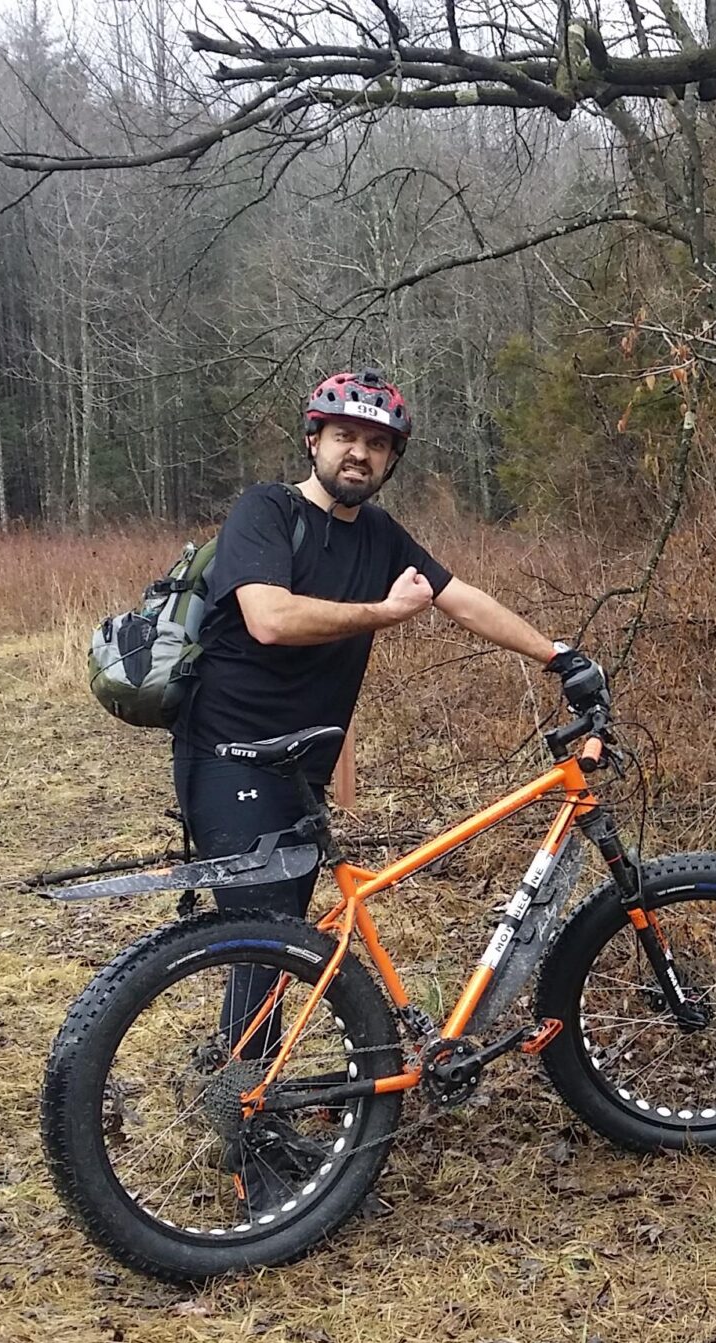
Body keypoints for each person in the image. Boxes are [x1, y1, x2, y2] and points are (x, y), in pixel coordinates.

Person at [175, 368, 599, 1089]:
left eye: (376, 444)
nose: (359, 454)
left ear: (392, 459)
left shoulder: (378, 534)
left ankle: (250, 1096)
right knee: (266, 947)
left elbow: (458, 597)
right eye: (344, 436)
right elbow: (270, 619)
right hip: (231, 760)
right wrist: (384, 613)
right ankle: (245, 1126)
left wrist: (557, 655)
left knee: (283, 949)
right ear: (314, 440)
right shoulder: (266, 513)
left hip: (298, 768)